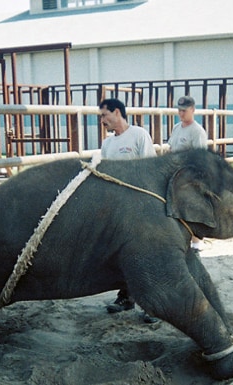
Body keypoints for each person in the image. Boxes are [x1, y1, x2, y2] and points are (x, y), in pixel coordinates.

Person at [98, 98, 158, 323]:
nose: (102, 120)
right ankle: (126, 297)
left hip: (139, 205)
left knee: (146, 255)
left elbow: (150, 169)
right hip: (117, 208)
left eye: (105, 115)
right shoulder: (107, 144)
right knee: (122, 255)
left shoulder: (139, 135)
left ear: (116, 112)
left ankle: (153, 304)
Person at [168, 95, 208, 252]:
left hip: (189, 176)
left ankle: (196, 244)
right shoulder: (176, 128)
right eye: (179, 110)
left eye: (184, 110)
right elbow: (171, 150)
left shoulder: (197, 132)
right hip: (174, 174)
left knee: (191, 211)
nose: (181, 113)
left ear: (192, 110)